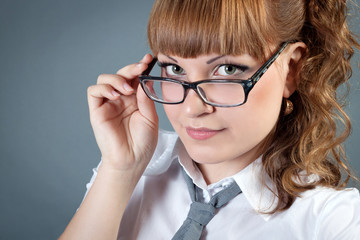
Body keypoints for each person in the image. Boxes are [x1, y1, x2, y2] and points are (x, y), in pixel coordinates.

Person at [59, 0, 360, 239]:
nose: (192, 108)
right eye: (174, 70)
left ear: (291, 68)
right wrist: (120, 170)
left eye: (228, 70)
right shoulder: (133, 172)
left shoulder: (333, 221)